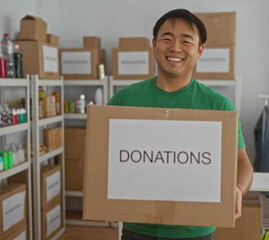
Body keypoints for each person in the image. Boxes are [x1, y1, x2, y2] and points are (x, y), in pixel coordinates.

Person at [89, 8, 253, 240]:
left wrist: (238, 189)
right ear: (154, 43)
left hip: (196, 230)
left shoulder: (219, 106)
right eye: (167, 39)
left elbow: (241, 161)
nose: (175, 48)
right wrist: (95, 183)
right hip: (137, 228)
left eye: (186, 41)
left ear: (200, 50)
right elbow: (97, 154)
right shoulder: (124, 100)